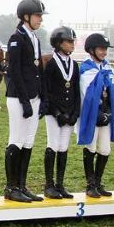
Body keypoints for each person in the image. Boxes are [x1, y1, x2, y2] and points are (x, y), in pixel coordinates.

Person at [3, 0, 47, 203]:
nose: (40, 20)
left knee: (28, 141)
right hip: (19, 97)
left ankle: (21, 185)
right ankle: (10, 187)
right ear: (26, 16)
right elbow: (15, 71)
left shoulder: (35, 38)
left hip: (34, 96)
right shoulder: (16, 37)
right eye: (38, 16)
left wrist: (42, 97)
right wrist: (25, 100)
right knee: (17, 140)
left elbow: (38, 69)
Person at [78, 33, 114, 198]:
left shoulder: (107, 68)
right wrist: (98, 112)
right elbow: (87, 94)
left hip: (106, 113)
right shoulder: (86, 69)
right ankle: (90, 184)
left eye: (105, 49)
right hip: (91, 114)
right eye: (101, 49)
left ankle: (98, 182)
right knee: (91, 147)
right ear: (91, 50)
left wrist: (110, 110)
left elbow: (113, 90)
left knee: (105, 149)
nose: (104, 52)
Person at [41, 26, 80, 199]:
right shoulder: (50, 64)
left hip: (69, 112)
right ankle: (49, 185)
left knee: (64, 147)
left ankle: (60, 184)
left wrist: (74, 113)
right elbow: (47, 91)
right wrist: (57, 113)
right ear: (58, 43)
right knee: (53, 145)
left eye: (73, 41)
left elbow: (76, 91)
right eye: (69, 41)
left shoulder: (74, 65)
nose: (72, 44)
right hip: (54, 113)